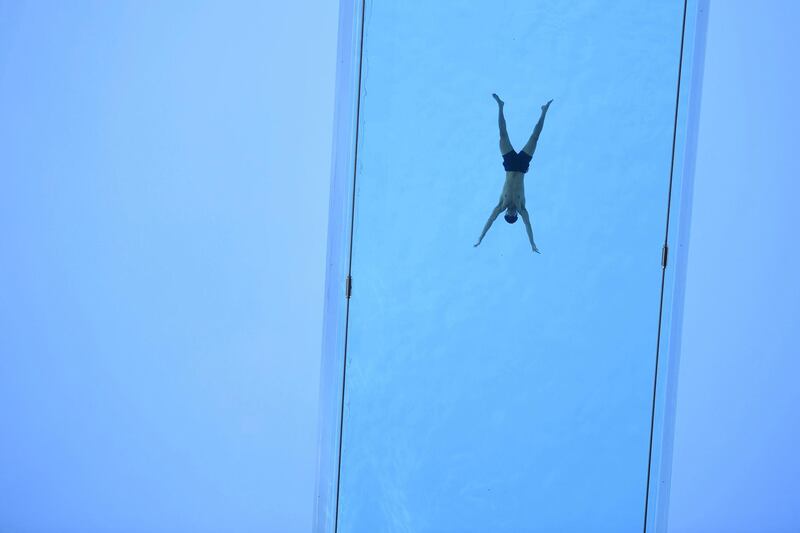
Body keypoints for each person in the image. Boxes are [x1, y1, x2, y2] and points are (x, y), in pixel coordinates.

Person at [474, 94, 553, 253]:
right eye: (513, 215)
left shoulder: (501, 206)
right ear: (516, 214)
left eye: (508, 215)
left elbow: (490, 220)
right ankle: (544, 111)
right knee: (535, 138)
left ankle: (500, 106)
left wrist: (480, 237)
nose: (511, 212)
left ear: (506, 214)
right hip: (522, 167)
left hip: (510, 166)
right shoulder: (521, 208)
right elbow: (528, 225)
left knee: (502, 135)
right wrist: (532, 243)